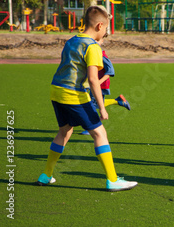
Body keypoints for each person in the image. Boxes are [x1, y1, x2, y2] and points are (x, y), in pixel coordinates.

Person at [36, 5, 137, 192]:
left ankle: (46, 174)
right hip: (73, 95)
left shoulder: (72, 40)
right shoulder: (93, 47)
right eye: (106, 28)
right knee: (100, 134)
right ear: (100, 26)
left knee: (64, 132)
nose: (106, 33)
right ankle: (112, 180)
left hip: (56, 91)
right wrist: (102, 107)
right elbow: (93, 79)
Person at [81, 39, 131, 135]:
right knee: (94, 104)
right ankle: (118, 101)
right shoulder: (92, 54)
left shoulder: (102, 56)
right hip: (94, 85)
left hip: (100, 86)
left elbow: (110, 72)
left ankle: (92, 128)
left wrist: (98, 83)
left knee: (93, 106)